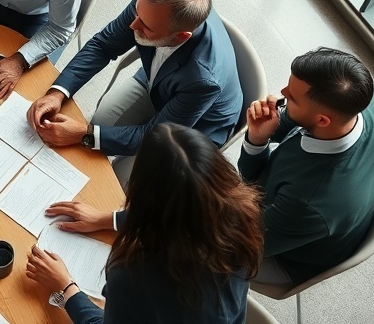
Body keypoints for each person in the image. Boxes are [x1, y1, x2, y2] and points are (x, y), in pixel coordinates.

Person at [27, 123, 263, 323]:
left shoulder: (134, 276)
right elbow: (184, 207)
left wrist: (66, 289)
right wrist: (108, 219)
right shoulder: (240, 221)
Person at [26, 0, 242, 185]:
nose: (133, 25)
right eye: (137, 13)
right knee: (100, 124)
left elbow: (156, 136)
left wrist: (84, 134)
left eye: (145, 27)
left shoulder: (204, 81)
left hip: (193, 129)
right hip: (160, 82)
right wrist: (57, 93)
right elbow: (103, 45)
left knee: (125, 178)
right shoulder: (153, 3)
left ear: (180, 37)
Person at [240, 47, 374, 285]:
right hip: (303, 224)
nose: (282, 92)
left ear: (322, 121)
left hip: (285, 258)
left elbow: (241, 244)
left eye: (291, 98)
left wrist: (255, 146)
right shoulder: (370, 100)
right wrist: (259, 137)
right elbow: (289, 124)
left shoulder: (308, 203)